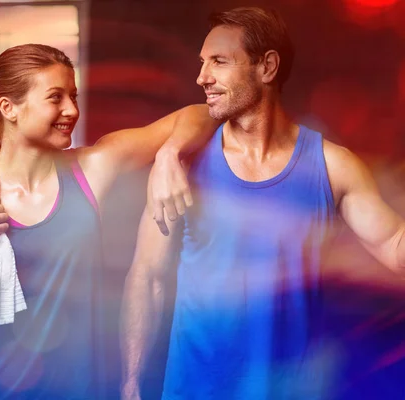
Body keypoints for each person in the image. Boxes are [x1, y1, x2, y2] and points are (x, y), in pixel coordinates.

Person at [120, 7, 405, 400]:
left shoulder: (332, 166)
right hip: (195, 389)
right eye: (203, 63)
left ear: (267, 67)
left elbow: (394, 245)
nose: (202, 77)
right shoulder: (183, 163)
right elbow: (147, 276)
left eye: (219, 62)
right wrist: (131, 381)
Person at [0, 43, 219, 399]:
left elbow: (203, 113)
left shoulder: (91, 169)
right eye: (55, 97)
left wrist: (170, 153)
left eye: (73, 96)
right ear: (9, 107)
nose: (71, 110)